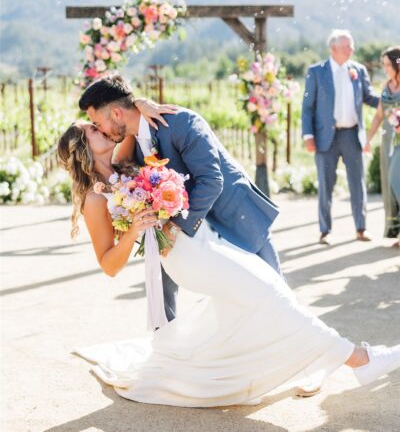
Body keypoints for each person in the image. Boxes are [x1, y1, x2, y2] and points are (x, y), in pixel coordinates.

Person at [57, 119, 400, 407]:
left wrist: (144, 109)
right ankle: (361, 359)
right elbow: (109, 264)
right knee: (268, 293)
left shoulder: (123, 158)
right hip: (184, 257)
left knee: (266, 291)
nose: (100, 125)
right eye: (91, 128)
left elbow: (133, 115)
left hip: (204, 239)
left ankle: (309, 360)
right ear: (83, 147)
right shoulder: (94, 199)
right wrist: (134, 229)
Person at [77, 75, 282, 324]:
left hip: (234, 217)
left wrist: (174, 228)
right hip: (195, 230)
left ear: (117, 114)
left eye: (97, 123)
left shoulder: (181, 122)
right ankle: (165, 336)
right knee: (219, 298)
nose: (99, 130)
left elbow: (212, 181)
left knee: (278, 298)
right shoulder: (134, 141)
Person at [302, 29, 380, 245]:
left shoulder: (358, 70)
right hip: (325, 137)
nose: (352, 49)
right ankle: (325, 231)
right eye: (347, 46)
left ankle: (361, 228)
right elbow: (307, 106)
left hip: (352, 135)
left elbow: (369, 97)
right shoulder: (316, 72)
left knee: (358, 183)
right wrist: (308, 135)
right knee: (326, 185)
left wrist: (391, 98)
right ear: (334, 48)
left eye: (352, 45)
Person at [364, 46, 400, 248]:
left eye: (388, 65)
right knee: (389, 185)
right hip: (387, 141)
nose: (385, 68)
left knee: (397, 182)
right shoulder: (386, 86)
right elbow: (379, 116)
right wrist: (368, 139)